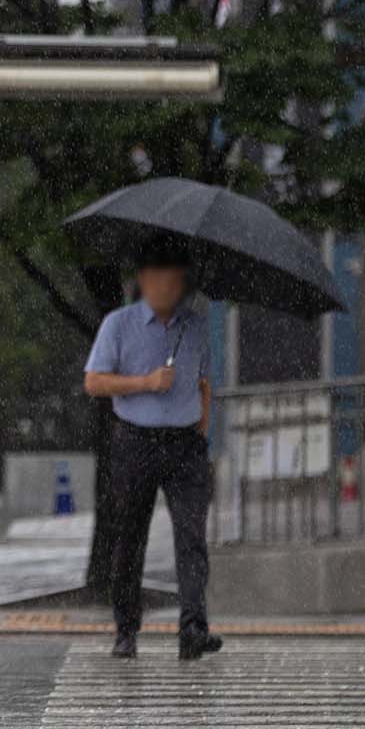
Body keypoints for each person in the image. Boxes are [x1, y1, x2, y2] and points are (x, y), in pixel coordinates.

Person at [83, 236, 223, 661]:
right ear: (144, 279)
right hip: (135, 440)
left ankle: (193, 629)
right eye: (161, 278)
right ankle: (126, 628)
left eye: (177, 280)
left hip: (184, 445)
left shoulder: (196, 326)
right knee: (129, 536)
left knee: (192, 537)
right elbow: (94, 382)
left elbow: (204, 382)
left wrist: (201, 429)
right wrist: (145, 382)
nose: (169, 288)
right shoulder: (118, 324)